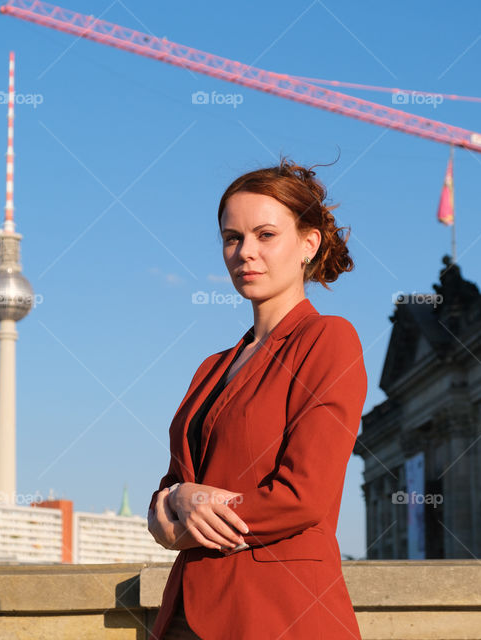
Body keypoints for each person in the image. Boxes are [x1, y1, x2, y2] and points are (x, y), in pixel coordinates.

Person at [147, 158, 368, 639]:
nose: (245, 251)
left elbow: (303, 496)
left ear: (308, 244)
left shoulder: (328, 340)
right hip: (184, 613)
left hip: (278, 615)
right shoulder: (211, 368)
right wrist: (174, 500)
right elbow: (171, 487)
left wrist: (183, 525)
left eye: (265, 235)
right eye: (233, 237)